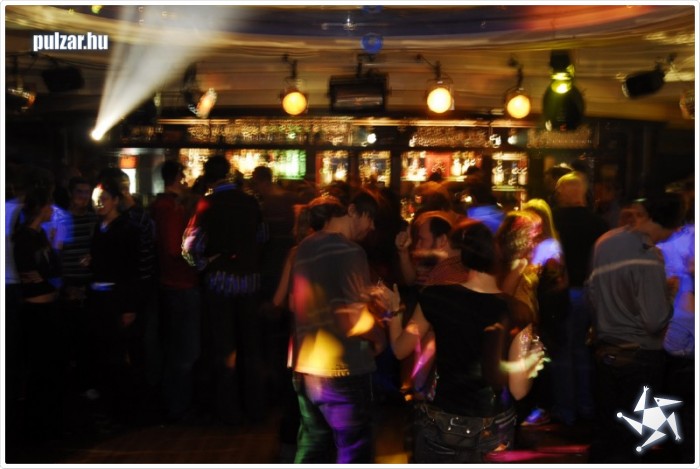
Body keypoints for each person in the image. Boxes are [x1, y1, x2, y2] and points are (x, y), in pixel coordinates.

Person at [387, 220, 546, 463]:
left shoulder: (435, 297)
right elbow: (518, 390)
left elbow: (400, 350)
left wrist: (394, 312)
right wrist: (532, 361)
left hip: (442, 422)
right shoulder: (518, 312)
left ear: (464, 258)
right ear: (499, 260)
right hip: (493, 425)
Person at [289, 189, 391, 463]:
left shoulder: (305, 247)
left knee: (312, 448)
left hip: (306, 367)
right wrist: (381, 335)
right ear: (353, 211)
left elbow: (295, 304)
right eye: (370, 218)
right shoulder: (350, 251)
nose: (371, 227)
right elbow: (355, 320)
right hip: (344, 369)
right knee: (354, 451)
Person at [586, 192, 685, 463]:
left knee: (607, 430)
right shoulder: (649, 256)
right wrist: (669, 294)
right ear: (673, 225)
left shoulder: (605, 241)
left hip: (605, 349)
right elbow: (654, 320)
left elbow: (592, 292)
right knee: (635, 438)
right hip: (639, 355)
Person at [182, 155, 268, 424]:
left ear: (208, 177)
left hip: (220, 282)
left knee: (224, 348)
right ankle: (255, 408)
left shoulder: (208, 203)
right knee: (252, 347)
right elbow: (262, 236)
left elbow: (189, 247)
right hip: (250, 280)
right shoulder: (251, 202)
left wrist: (203, 264)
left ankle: (228, 411)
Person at [550, 171, 608, 425]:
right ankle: (586, 405)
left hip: (562, 292)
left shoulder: (554, 220)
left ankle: (565, 410)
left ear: (563, 192)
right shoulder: (599, 224)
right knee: (584, 349)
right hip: (590, 292)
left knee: (562, 350)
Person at [84, 178, 142, 429]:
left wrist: (129, 306)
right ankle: (110, 407)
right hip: (99, 296)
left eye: (104, 199)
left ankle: (122, 410)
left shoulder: (126, 229)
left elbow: (131, 269)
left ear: (116, 200)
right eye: (96, 200)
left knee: (117, 354)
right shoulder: (100, 227)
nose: (99, 204)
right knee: (102, 352)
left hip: (114, 297)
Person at [12, 171, 65, 440]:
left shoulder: (40, 235)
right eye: (49, 205)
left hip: (47, 306)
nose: (52, 210)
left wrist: (51, 268)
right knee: (39, 367)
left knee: (49, 366)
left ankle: (46, 421)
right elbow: (40, 273)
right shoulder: (24, 238)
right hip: (36, 309)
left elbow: (50, 270)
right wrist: (50, 275)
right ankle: (36, 425)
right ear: (41, 208)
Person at [150, 160, 202, 423]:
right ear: (177, 178)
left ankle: (175, 405)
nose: (186, 181)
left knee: (176, 349)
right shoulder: (170, 208)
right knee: (185, 351)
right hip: (181, 284)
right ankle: (179, 408)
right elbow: (174, 249)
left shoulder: (160, 206)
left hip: (171, 284)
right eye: (183, 176)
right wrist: (197, 262)